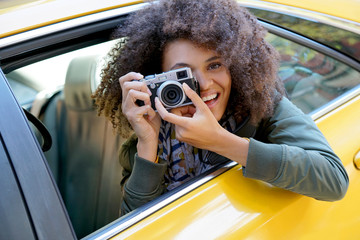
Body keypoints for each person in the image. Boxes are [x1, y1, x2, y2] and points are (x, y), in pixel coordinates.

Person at [92, 0, 349, 215]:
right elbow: (135, 227)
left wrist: (220, 141)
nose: (203, 85)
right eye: (182, 74)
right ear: (156, 80)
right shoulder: (145, 140)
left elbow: (334, 180)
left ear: (235, 65)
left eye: (215, 65)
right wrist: (148, 147)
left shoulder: (261, 108)